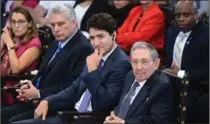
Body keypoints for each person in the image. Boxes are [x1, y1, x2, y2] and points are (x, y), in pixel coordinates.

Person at [10, 13, 132, 124]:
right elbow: (75, 88)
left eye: (101, 37)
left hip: (87, 119)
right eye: (92, 38)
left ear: (114, 35)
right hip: (70, 112)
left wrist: (93, 71)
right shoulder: (93, 56)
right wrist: (48, 101)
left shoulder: (121, 63)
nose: (96, 43)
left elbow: (104, 103)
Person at [1, 4, 93, 124]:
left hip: (55, 105)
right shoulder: (56, 42)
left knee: (13, 121)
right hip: (36, 99)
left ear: (74, 23)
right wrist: (30, 85)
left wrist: (39, 93)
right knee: (2, 114)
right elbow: (43, 73)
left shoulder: (83, 48)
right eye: (53, 25)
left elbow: (72, 86)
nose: (56, 29)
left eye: (61, 24)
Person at [104, 42, 173, 124]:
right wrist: (114, 114)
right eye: (135, 62)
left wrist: (123, 122)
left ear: (156, 63)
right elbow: (123, 103)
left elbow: (157, 120)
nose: (139, 67)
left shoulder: (162, 86)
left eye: (144, 62)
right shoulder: (130, 75)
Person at [164, 0, 209, 122]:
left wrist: (181, 74)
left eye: (186, 15)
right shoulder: (171, 32)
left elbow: (207, 70)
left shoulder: (206, 35)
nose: (181, 19)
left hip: (196, 89)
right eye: (178, 15)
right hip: (170, 84)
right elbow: (168, 62)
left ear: (196, 14)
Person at [1, 7, 41, 105]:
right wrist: (5, 33)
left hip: (13, 89)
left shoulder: (34, 44)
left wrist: (9, 43)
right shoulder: (13, 38)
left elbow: (16, 69)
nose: (16, 26)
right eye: (13, 22)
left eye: (21, 22)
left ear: (30, 24)